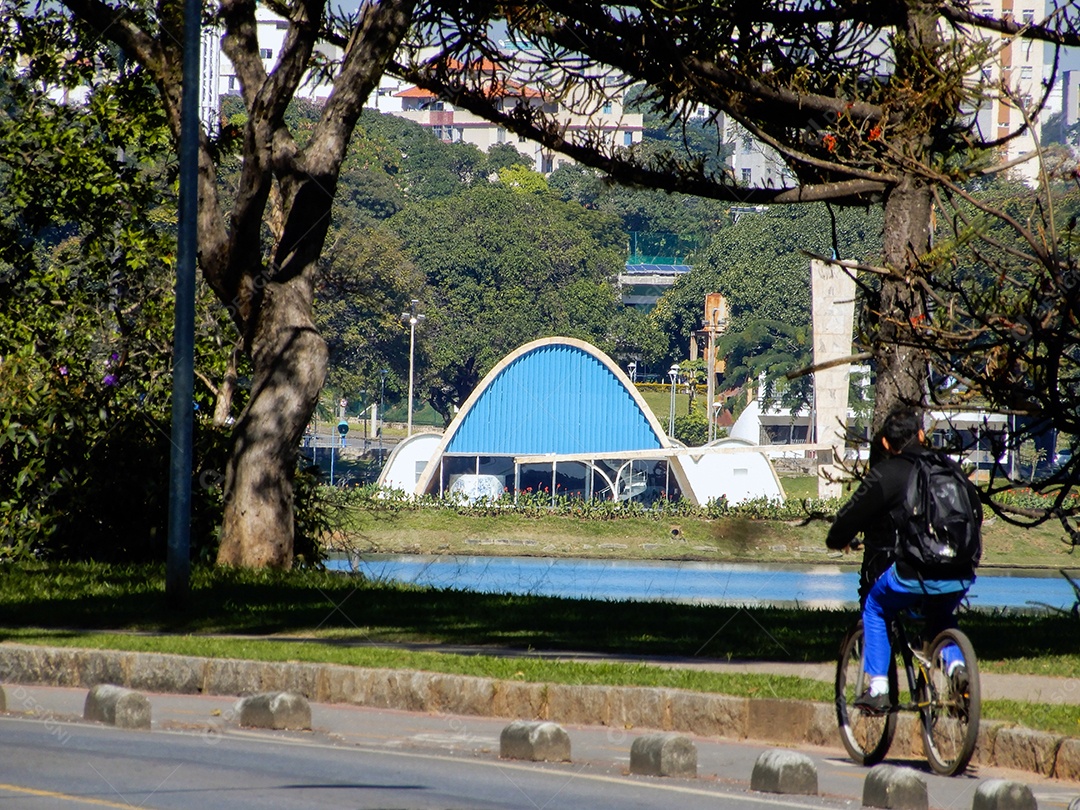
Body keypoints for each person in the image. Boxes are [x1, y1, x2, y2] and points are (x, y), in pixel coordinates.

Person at [826, 407, 981, 714]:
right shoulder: (950, 468)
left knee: (875, 605)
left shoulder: (888, 473)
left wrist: (838, 540)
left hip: (915, 571)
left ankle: (879, 688)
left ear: (885, 444)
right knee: (941, 616)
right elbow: (974, 512)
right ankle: (956, 668)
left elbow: (849, 517)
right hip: (962, 570)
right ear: (922, 436)